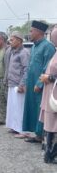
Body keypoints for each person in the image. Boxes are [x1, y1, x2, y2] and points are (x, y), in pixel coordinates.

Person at [23, 21, 56, 143]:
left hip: (43, 85)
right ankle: (37, 134)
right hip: (31, 83)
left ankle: (43, 135)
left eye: (31, 31)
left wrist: (39, 84)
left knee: (40, 109)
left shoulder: (48, 47)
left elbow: (47, 68)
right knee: (32, 108)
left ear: (39, 32)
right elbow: (30, 66)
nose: (29, 33)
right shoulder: (34, 46)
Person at [5, 31, 30, 138]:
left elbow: (26, 70)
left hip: (19, 85)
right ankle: (14, 127)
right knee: (13, 107)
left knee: (20, 108)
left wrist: (22, 84)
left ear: (19, 40)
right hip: (12, 83)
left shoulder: (24, 52)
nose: (10, 42)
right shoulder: (13, 51)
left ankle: (23, 131)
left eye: (12, 39)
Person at [39, 25, 57, 163]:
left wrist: (49, 78)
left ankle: (52, 154)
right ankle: (49, 153)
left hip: (54, 93)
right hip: (51, 93)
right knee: (50, 123)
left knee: (54, 124)